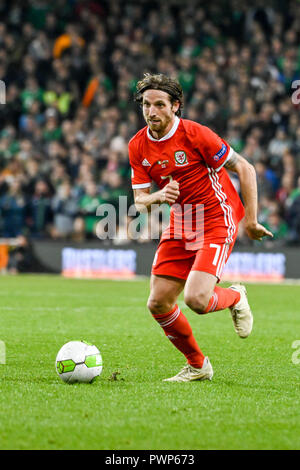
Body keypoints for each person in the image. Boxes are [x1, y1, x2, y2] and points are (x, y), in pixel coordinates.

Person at [128, 73, 273, 383]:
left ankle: (234, 296)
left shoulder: (196, 135)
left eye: (159, 105)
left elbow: (244, 167)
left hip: (217, 219)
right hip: (182, 224)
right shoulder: (137, 145)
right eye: (146, 105)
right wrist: (159, 196)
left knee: (196, 299)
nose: (151, 112)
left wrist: (251, 219)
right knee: (158, 302)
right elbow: (140, 201)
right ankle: (197, 366)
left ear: (175, 106)